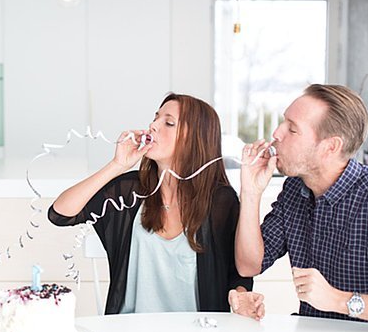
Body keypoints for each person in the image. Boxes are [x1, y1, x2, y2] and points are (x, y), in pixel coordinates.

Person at [48, 93, 264, 319]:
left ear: (195, 139)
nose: (153, 126)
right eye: (156, 118)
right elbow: (60, 214)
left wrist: (240, 296)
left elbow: (237, 273)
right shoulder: (130, 190)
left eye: (168, 123)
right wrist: (117, 165)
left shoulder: (220, 200)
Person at [236, 84, 368, 324]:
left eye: (292, 129)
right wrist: (251, 192)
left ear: (330, 147)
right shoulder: (295, 189)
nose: (276, 133)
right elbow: (249, 266)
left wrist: (338, 300)